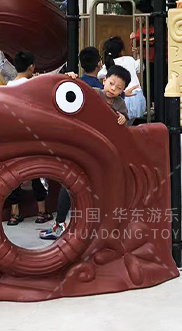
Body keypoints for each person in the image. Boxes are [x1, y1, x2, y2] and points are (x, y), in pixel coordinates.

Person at [42, 65, 131, 241]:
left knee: (96, 189)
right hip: (81, 147)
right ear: (104, 80)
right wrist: (70, 77)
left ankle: (95, 227)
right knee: (68, 185)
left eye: (119, 87)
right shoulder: (93, 93)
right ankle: (60, 223)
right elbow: (74, 90)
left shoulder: (120, 104)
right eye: (111, 83)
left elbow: (123, 123)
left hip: (101, 153)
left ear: (123, 91)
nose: (113, 89)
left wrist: (124, 118)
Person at [5, 51, 51, 225]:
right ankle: (41, 212)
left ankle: (14, 214)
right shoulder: (33, 85)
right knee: (37, 172)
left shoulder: (7, 85)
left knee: (14, 174)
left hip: (12, 136)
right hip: (31, 134)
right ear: (32, 67)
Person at [97, 36, 146, 122]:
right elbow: (141, 67)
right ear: (121, 51)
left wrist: (102, 67)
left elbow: (99, 75)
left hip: (125, 97)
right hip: (138, 96)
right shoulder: (129, 59)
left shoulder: (109, 64)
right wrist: (138, 55)